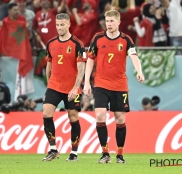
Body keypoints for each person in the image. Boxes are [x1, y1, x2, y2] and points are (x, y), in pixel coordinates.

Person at [83, 10, 145, 164]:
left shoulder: (126, 39)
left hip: (119, 85)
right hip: (101, 83)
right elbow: (90, 60)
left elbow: (134, 56)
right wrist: (86, 82)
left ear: (118, 22)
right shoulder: (98, 38)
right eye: (107, 21)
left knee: (120, 118)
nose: (108, 24)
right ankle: (105, 154)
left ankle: (120, 154)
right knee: (99, 116)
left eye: (112, 21)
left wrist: (139, 72)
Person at [42, 13, 86, 162]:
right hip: (54, 85)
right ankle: (53, 149)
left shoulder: (77, 44)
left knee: (73, 117)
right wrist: (49, 85)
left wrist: (75, 88)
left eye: (62, 25)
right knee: (46, 113)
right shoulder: (51, 43)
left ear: (68, 24)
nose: (59, 27)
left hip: (71, 88)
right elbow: (48, 66)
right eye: (57, 25)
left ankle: (74, 152)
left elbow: (81, 68)